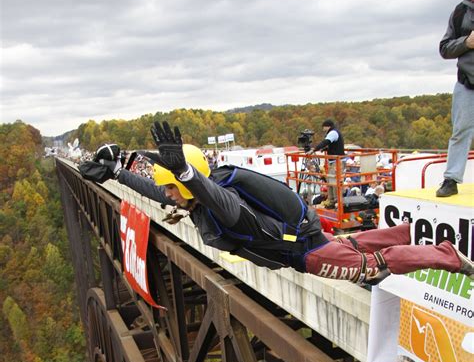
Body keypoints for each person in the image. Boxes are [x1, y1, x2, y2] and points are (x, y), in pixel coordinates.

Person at [86, 121, 474, 286]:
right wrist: (118, 173)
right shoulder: (197, 204)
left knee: (371, 268)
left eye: (173, 188)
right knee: (351, 247)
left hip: (305, 255)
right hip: (304, 241)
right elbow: (159, 193)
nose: (167, 195)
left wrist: (188, 176)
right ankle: (406, 232)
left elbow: (219, 201)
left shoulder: (220, 204)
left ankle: (447, 256)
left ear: (189, 185)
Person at [437, 0, 474, 197]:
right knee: (460, 131)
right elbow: (444, 48)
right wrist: (466, 43)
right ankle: (451, 179)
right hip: (467, 83)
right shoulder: (461, 11)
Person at [309, 119, 345, 206]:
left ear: (327, 126)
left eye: (323, 127)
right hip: (334, 161)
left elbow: (326, 141)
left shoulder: (333, 133)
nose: (323, 129)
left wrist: (314, 149)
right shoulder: (335, 132)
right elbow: (334, 145)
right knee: (330, 181)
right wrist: (326, 149)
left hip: (336, 161)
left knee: (334, 181)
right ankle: (332, 200)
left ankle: (336, 201)